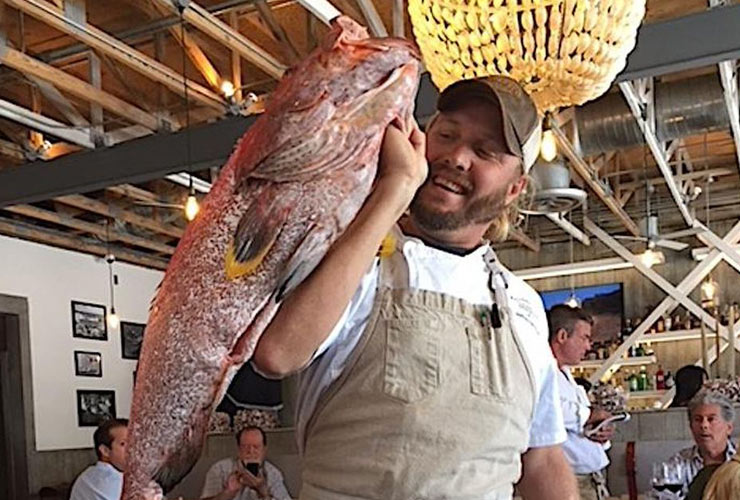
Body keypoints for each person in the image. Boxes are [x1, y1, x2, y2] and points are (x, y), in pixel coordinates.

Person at [253, 75, 577, 499]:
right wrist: (396, 187)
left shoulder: (524, 307)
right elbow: (276, 354)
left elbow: (542, 458)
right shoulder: (355, 266)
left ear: (514, 189)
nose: (458, 157)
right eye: (446, 134)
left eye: (484, 151)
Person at [548, 304, 614, 500]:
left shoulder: (567, 375)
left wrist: (601, 433)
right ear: (562, 337)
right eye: (584, 338)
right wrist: (590, 416)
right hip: (565, 482)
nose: (588, 346)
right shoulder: (539, 373)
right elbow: (552, 410)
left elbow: (582, 423)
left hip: (592, 480)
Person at [650, 390, 736, 499]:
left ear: (729, 428)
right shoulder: (678, 463)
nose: (704, 425)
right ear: (691, 427)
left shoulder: (737, 461)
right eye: (698, 419)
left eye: (711, 419)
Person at [201, 426, 291, 500]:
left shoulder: (273, 474)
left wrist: (263, 492)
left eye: (256, 447)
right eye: (245, 447)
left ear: (264, 450)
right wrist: (229, 492)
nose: (251, 451)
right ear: (239, 450)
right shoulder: (220, 469)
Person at [69, 418, 128, 500]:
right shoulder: (108, 479)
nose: (133, 448)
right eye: (123, 444)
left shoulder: (89, 475)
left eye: (135, 442)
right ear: (105, 451)